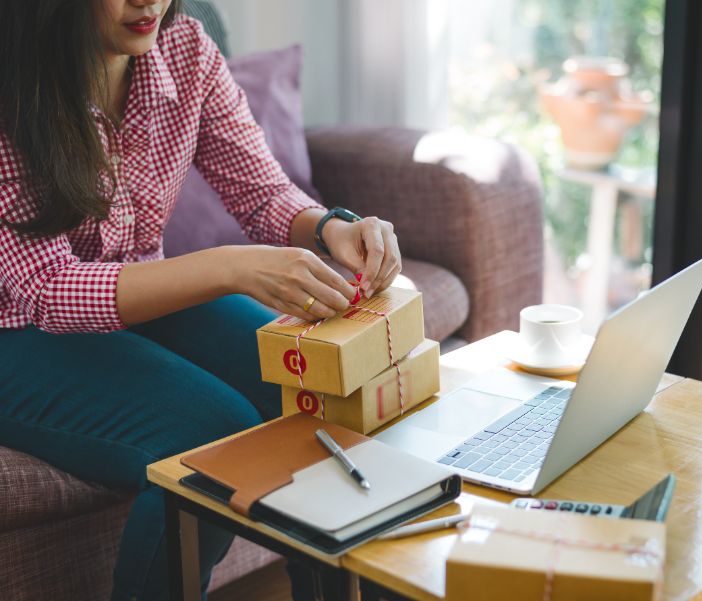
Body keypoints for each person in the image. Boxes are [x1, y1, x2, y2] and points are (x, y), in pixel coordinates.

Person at [0, 0, 401, 599]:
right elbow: (47, 290)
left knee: (324, 392)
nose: (149, 2)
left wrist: (332, 229)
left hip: (134, 292)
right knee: (214, 436)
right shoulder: (14, 86)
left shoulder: (184, 50)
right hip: (19, 329)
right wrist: (229, 268)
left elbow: (261, 190)